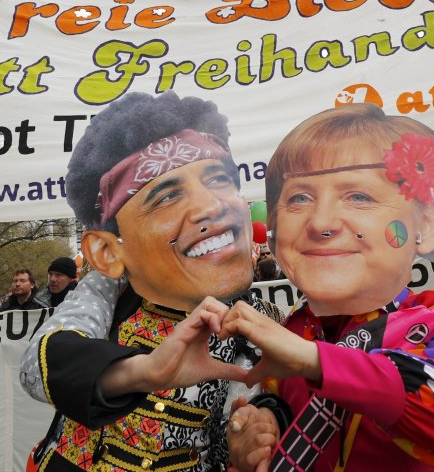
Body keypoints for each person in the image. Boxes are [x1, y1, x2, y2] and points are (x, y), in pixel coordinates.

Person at [223, 104, 434, 472]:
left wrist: (318, 362)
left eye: (359, 196)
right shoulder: (292, 330)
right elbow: (282, 414)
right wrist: (261, 430)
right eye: (299, 198)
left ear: (425, 225)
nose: (321, 222)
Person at [22, 91, 280, 472]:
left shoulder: (262, 321)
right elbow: (37, 368)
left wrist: (244, 444)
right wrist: (141, 373)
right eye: (167, 197)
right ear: (108, 253)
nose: (212, 207)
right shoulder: (110, 291)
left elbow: (230, 428)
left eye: (220, 180)